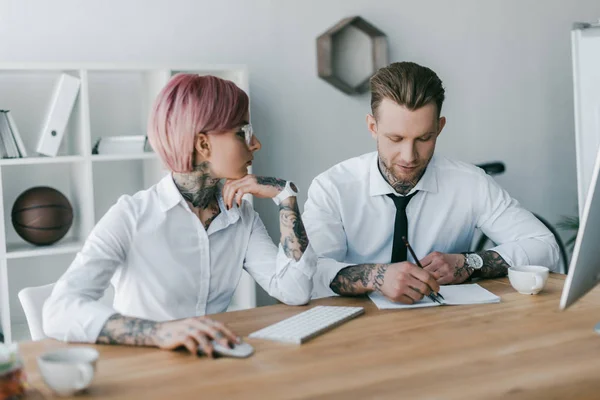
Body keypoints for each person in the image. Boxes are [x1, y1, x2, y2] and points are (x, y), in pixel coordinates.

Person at [43, 74, 316, 357]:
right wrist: (159, 332)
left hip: (216, 362)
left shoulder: (241, 216)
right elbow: (59, 310)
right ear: (203, 144)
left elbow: (295, 292)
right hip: (146, 368)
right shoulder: (131, 216)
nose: (256, 143)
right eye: (242, 132)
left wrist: (286, 197)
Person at [304, 61, 559, 303]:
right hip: (355, 330)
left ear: (439, 127)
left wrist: (469, 263)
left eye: (424, 138)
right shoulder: (332, 187)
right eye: (395, 138)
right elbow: (309, 272)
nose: (409, 156)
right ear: (373, 127)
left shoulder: (469, 183)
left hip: (444, 329)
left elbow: (545, 247)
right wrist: (376, 276)